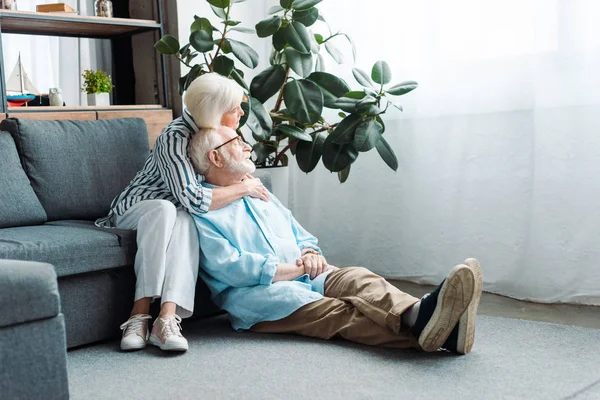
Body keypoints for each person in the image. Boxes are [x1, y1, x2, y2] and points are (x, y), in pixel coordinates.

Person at [187, 125, 484, 354]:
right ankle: (440, 334)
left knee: (356, 278)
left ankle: (418, 313)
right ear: (215, 157)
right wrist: (298, 269)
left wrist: (310, 252)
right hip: (261, 298)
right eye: (236, 143)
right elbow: (233, 268)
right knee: (340, 314)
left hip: (305, 272)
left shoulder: (257, 190)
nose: (247, 146)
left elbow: (298, 232)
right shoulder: (204, 214)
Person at [95, 73, 270, 352]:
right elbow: (194, 197)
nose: (240, 113)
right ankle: (138, 315)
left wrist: (242, 181)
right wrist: (244, 189)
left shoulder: (218, 133)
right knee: (170, 209)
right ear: (215, 112)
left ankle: (166, 320)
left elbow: (226, 175)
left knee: (184, 218)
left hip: (176, 212)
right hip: (135, 208)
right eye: (233, 108)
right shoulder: (174, 137)